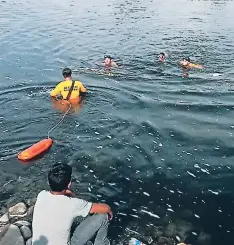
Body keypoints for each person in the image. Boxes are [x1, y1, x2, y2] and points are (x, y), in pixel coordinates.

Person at [32, 163, 112, 245]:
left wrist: (68, 192)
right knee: (103, 216)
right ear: (69, 184)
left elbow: (60, 194)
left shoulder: (41, 195)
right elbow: (105, 208)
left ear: (48, 182)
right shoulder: (74, 204)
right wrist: (109, 211)